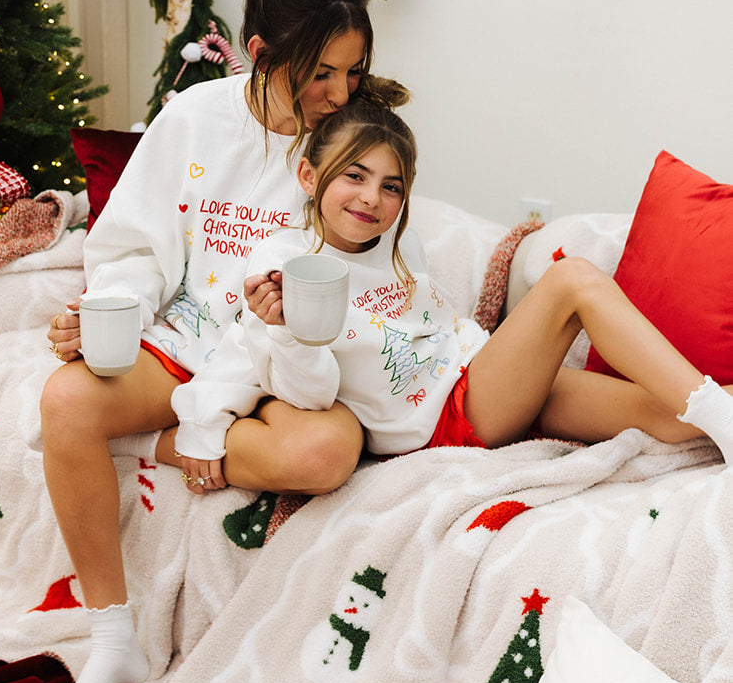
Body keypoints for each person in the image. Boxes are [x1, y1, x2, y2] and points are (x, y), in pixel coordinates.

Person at [39, 0, 379, 683]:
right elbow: (133, 245)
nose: (340, 94)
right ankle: (113, 642)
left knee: (323, 454)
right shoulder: (194, 118)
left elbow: (369, 248)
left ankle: (141, 445)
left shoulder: (347, 142)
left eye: (353, 73)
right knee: (65, 401)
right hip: (184, 341)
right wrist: (104, 312)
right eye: (323, 74)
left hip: (277, 360)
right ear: (261, 53)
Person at [173, 81, 733, 476]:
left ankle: (723, 417)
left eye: (392, 186)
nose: (372, 197)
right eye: (355, 176)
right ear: (308, 174)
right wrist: (283, 339)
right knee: (572, 281)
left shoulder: (394, 241)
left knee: (674, 416)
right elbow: (299, 390)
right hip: (453, 414)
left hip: (488, 375)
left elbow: (431, 324)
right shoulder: (281, 267)